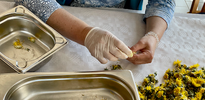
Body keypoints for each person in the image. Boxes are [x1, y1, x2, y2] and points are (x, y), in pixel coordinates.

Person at [15, 0, 175, 65]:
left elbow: (163, 2)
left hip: (125, 23)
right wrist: (86, 33)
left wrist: (153, 35)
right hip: (62, 23)